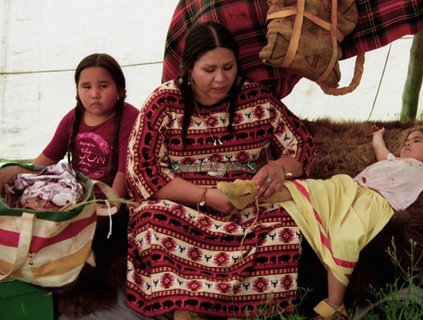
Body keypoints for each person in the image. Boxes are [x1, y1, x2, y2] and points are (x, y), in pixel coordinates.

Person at [218, 125, 423, 320]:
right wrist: (378, 135)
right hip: (347, 187)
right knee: (306, 189)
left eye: (416, 141)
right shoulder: (392, 160)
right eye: (405, 140)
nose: (407, 143)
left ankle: (335, 306)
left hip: (374, 205)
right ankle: (246, 195)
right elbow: (379, 149)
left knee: (345, 237)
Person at [125, 22, 316, 319]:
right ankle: (187, 309)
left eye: (229, 67)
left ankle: (241, 310)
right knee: (152, 220)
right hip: (185, 209)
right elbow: (142, 170)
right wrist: (205, 196)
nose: (221, 78)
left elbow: (302, 144)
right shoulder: (162, 103)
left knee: (285, 224)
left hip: (247, 209)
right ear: (189, 68)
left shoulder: (257, 100)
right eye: (209, 69)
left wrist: (280, 168)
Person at [33, 53, 139, 199]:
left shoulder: (130, 118)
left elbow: (124, 172)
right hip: (76, 200)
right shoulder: (72, 118)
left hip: (113, 204)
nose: (94, 94)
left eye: (103, 86)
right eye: (86, 87)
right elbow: (45, 161)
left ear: (120, 89)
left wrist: (111, 208)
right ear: (77, 89)